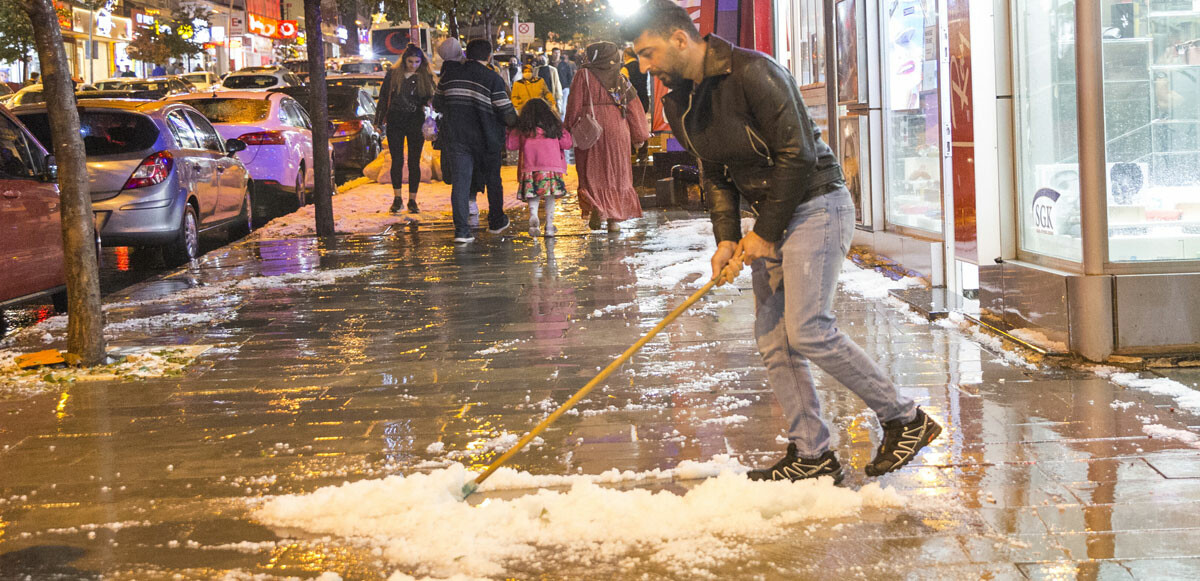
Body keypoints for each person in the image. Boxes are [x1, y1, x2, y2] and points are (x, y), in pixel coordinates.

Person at [623, 0, 942, 482]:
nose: (644, 66)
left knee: (808, 328)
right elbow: (716, 174)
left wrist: (766, 234)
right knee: (775, 339)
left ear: (680, 39)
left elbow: (797, 158)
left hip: (816, 203)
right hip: (772, 212)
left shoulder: (755, 72)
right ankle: (812, 454)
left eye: (648, 53)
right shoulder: (680, 99)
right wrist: (727, 240)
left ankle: (905, 418)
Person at [433, 39, 517, 243]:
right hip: (487, 139)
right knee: (493, 180)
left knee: (461, 184)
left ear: (467, 54)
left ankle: (462, 231)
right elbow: (505, 112)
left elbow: (437, 103)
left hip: (456, 138)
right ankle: (496, 221)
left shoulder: (449, 76)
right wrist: (518, 123)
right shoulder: (492, 78)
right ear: (488, 56)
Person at [564, 41, 649, 233]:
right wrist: (639, 135)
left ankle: (597, 205)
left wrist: (569, 128)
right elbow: (634, 107)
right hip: (618, 129)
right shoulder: (620, 79)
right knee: (617, 173)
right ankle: (615, 221)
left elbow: (574, 105)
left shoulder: (583, 75)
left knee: (591, 172)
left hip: (590, 130)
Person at [377, 44, 436, 214]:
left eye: (417, 61)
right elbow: (383, 98)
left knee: (414, 161)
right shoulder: (393, 75)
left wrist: (431, 103)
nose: (413, 65)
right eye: (410, 61)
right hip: (395, 119)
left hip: (415, 120)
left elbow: (430, 98)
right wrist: (379, 121)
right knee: (396, 160)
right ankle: (397, 198)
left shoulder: (425, 76)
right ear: (404, 60)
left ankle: (412, 199)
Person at [506, 98, 572, 237]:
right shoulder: (554, 127)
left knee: (533, 195)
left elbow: (511, 145)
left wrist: (510, 130)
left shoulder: (523, 129)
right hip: (551, 168)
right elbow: (567, 143)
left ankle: (533, 215)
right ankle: (549, 226)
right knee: (549, 197)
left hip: (530, 167)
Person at [621, 46, 650, 111]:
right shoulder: (643, 67)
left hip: (632, 102)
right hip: (644, 100)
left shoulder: (625, 69)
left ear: (626, 55)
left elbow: (622, 87)